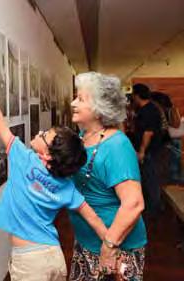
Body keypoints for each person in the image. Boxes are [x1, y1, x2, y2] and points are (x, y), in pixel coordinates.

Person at [0, 60, 108, 281]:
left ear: (48, 154)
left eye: (44, 135)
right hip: (54, 256)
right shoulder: (67, 186)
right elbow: (94, 219)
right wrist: (111, 246)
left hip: (29, 262)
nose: (40, 131)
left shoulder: (22, 157)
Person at [69, 73, 147, 281]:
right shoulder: (82, 137)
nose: (72, 102)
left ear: (99, 109)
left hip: (116, 247)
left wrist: (109, 246)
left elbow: (134, 203)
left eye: (81, 99)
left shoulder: (117, 146)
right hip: (87, 241)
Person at [132, 83, 163, 218]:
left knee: (151, 179)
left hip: (150, 151)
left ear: (137, 95)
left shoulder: (149, 110)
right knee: (148, 178)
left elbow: (148, 133)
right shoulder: (146, 109)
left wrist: (142, 151)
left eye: (133, 95)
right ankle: (152, 207)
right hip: (148, 150)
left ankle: (154, 210)